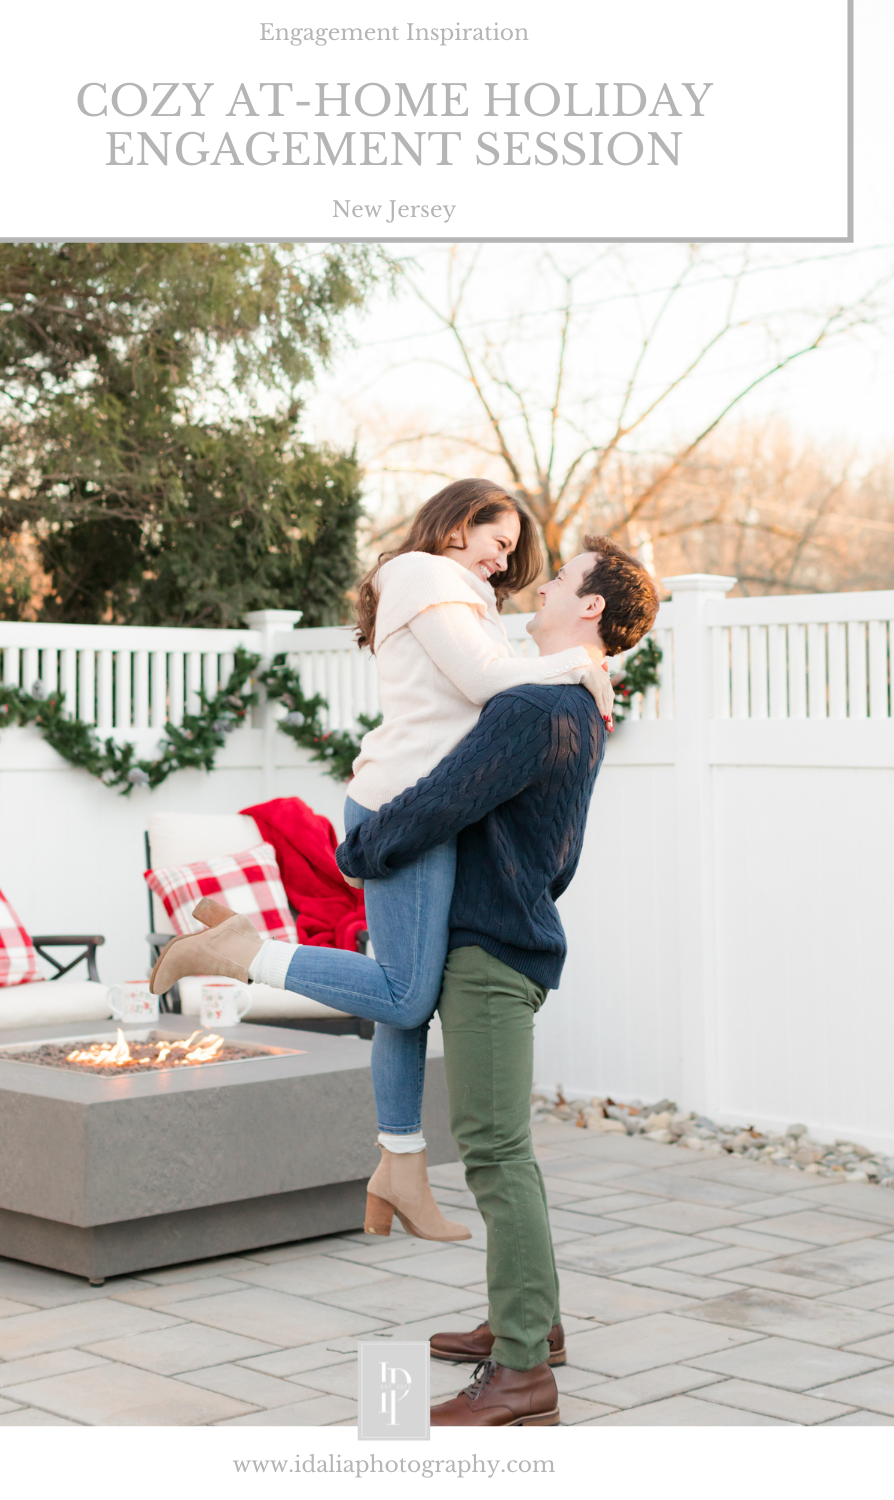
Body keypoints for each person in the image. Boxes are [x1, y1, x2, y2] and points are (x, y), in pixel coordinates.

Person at [149, 479, 614, 1243]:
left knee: (403, 996)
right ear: (461, 526)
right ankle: (243, 951)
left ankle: (399, 1166)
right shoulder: (424, 576)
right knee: (404, 994)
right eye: (499, 545)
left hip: (422, 805)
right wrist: (582, 667)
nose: (504, 565)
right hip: (404, 810)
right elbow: (485, 684)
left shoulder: (461, 591)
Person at [334, 537, 660, 1426]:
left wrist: (360, 847)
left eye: (561, 578)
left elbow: (444, 798)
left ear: (590, 608)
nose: (543, 585)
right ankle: (534, 1324)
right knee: (508, 1150)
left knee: (494, 1154)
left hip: (487, 954)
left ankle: (520, 1376)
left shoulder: (535, 706)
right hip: (515, 940)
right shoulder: (579, 701)